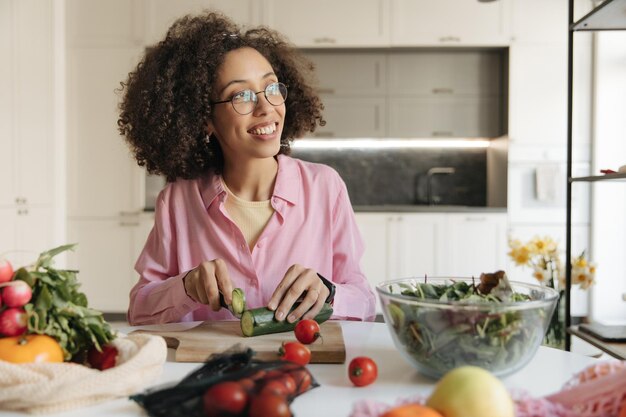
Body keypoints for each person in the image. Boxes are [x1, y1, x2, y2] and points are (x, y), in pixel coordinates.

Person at [117, 11, 376, 325]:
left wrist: (329, 292)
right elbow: (140, 310)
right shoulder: (178, 200)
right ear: (205, 119)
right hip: (212, 368)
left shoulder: (325, 186)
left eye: (272, 88)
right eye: (241, 95)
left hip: (303, 365)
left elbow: (364, 301)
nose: (266, 107)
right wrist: (185, 287)